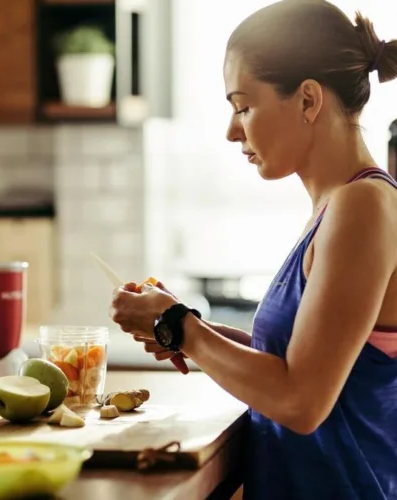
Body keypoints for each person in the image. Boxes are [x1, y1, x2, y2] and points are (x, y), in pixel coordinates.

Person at [109, 1, 397, 499]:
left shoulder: (363, 207)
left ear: (308, 100)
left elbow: (302, 401)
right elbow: (300, 364)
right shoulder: (339, 207)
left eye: (243, 105)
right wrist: (185, 326)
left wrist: (183, 327)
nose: (232, 129)